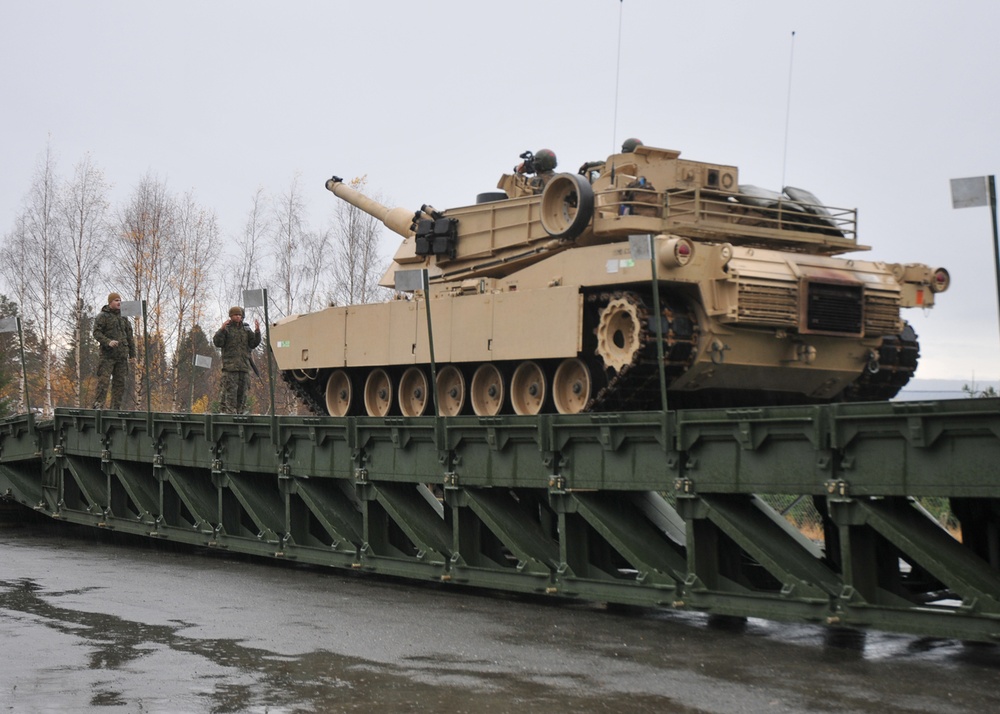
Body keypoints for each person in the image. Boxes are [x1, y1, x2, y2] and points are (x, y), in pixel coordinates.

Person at [213, 306, 262, 413]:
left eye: (239, 315)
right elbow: (218, 343)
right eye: (236, 315)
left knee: (242, 393)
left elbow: (253, 343)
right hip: (230, 367)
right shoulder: (226, 329)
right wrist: (221, 330)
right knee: (230, 393)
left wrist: (257, 332)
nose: (238, 317)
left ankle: (240, 414)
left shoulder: (246, 330)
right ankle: (230, 414)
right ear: (231, 316)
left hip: (244, 367)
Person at [92, 292, 135, 410]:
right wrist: (107, 342)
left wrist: (132, 354)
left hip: (122, 357)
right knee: (103, 382)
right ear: (110, 302)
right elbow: (96, 333)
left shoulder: (124, 318)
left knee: (120, 384)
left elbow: (130, 336)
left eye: (120, 300)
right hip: (107, 356)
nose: (119, 302)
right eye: (116, 300)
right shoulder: (103, 316)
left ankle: (115, 408)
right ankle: (98, 405)